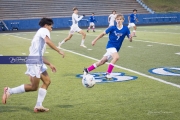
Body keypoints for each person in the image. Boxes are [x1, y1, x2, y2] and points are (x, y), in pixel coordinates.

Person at [2, 18, 65, 112]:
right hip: (34, 62)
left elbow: (39, 55)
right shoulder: (44, 30)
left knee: (47, 81)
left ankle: (38, 106)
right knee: (33, 87)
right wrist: (59, 50)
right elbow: (47, 41)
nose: (52, 27)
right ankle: (9, 91)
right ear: (46, 25)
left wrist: (49, 63)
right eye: (51, 25)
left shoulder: (41, 35)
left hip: (37, 61)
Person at [84, 14, 132, 78]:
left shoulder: (126, 29)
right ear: (115, 20)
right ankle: (108, 73)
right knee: (116, 57)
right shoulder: (112, 28)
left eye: (120, 19)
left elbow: (130, 40)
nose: (119, 20)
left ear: (123, 20)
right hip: (110, 46)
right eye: (117, 19)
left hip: (116, 48)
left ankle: (87, 70)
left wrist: (131, 38)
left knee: (102, 61)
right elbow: (102, 34)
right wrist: (94, 40)